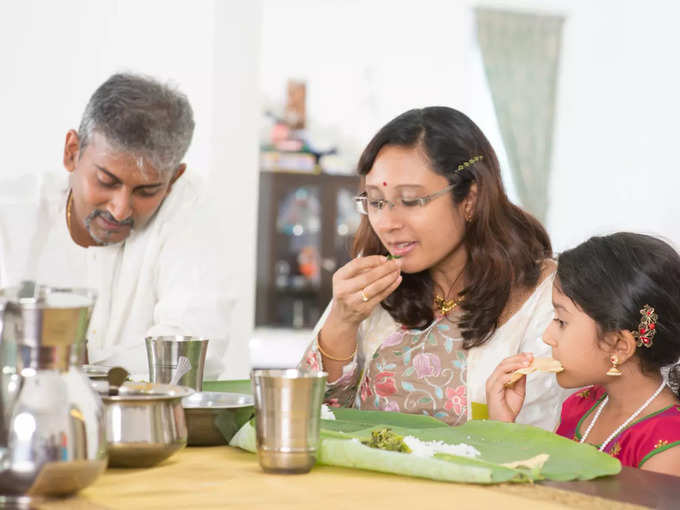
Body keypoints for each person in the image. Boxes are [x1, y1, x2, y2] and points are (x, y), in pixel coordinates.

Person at [300, 106, 568, 430]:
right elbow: (309, 417)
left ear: (470, 198)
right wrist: (341, 322)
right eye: (376, 201)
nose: (387, 224)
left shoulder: (547, 297)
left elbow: (543, 436)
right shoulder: (370, 279)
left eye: (411, 200)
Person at [0, 73, 233, 377]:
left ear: (174, 179)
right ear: (72, 152)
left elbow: (194, 353)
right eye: (107, 181)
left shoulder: (187, 204)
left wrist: (72, 360)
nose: (120, 210)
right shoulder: (12, 215)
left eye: (146, 191)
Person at [486, 233, 680, 475]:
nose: (547, 336)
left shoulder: (669, 449)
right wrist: (504, 429)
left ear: (619, 346)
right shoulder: (581, 405)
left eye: (561, 321)